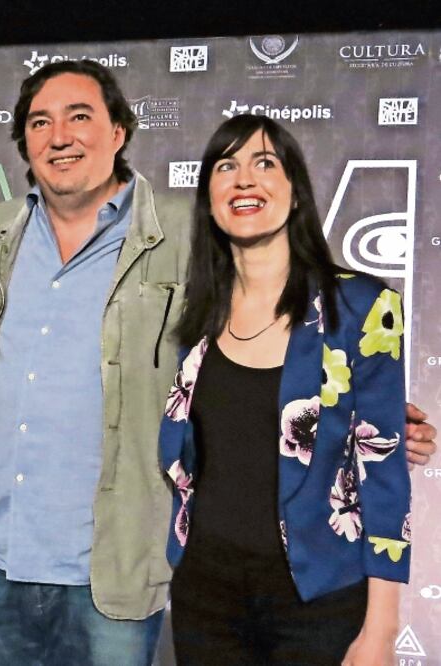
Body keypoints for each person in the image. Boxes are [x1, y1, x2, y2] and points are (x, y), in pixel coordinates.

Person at [0, 59, 437, 665]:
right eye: (40, 122)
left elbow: (309, 351)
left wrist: (377, 420)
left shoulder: (181, 235)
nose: (60, 135)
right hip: (2, 565)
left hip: (120, 572)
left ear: (119, 132)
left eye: (80, 116)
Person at [161, 114, 410, 665]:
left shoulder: (363, 308)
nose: (244, 179)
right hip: (206, 595)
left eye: (264, 163)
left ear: (295, 193)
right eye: (226, 166)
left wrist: (381, 630)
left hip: (319, 600)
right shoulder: (195, 312)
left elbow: (384, 475)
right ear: (209, 198)